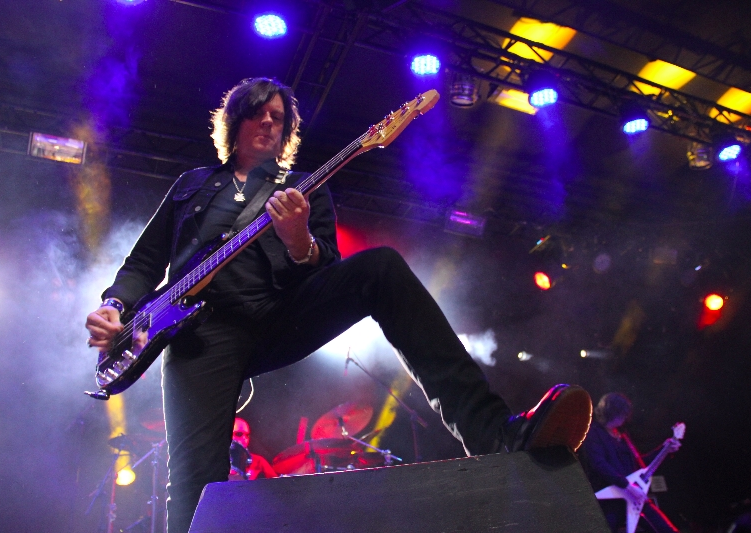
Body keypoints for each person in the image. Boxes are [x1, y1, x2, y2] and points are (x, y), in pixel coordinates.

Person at [85, 77, 593, 533]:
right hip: (196, 336)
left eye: (278, 117)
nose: (268, 121)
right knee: (194, 492)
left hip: (272, 316)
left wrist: (298, 239)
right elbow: (143, 263)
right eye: (258, 112)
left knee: (381, 269)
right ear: (235, 121)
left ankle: (495, 434)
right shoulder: (192, 185)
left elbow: (323, 266)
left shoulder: (302, 190)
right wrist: (114, 305)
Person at [578, 393, 682, 533]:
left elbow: (640, 464)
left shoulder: (623, 436)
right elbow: (599, 464)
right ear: (610, 412)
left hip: (633, 497)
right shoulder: (593, 434)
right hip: (610, 499)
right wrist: (626, 486)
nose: (624, 418)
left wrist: (664, 449)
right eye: (621, 414)